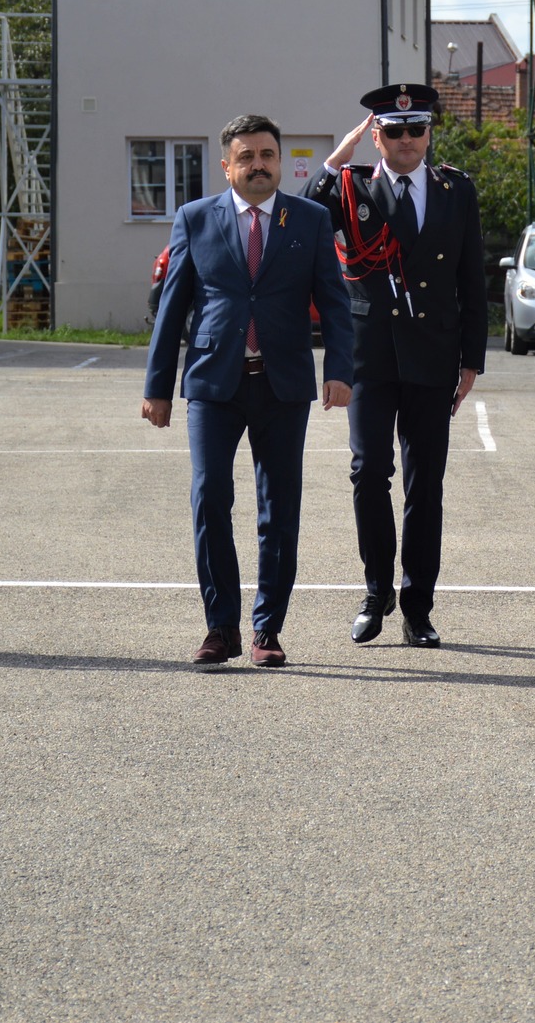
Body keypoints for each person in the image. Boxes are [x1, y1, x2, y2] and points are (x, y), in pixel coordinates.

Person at [142, 113, 355, 669]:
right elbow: (174, 307)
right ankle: (220, 628)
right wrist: (159, 386)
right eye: (246, 157)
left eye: (267, 155)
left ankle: (267, 630)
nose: (258, 165)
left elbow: (334, 301)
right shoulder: (195, 219)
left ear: (280, 161)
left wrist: (340, 369)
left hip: (283, 384)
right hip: (214, 383)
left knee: (278, 509)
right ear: (226, 165)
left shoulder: (308, 220)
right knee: (210, 497)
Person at [305, 83, 486, 648]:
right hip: (370, 354)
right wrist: (336, 156)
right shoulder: (351, 186)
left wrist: (472, 359)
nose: (407, 140)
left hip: (433, 352)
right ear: (375, 136)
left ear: (429, 133)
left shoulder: (457, 189)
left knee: (424, 485)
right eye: (394, 131)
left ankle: (417, 606)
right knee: (367, 474)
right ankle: (375, 588)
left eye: (417, 129)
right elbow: (307, 214)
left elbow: (470, 281)